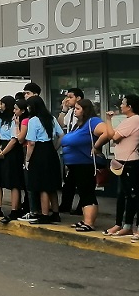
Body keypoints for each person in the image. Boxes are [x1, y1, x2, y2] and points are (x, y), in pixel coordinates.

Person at [59, 99, 106, 232]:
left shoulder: (93, 121)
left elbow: (107, 132)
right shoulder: (80, 124)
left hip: (85, 163)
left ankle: (90, 223)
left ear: (85, 110)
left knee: (87, 193)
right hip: (75, 164)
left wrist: (96, 147)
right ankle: (86, 220)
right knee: (82, 193)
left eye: (78, 108)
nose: (75, 111)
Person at [97, 94, 139, 238]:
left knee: (132, 196)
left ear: (130, 106)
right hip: (121, 162)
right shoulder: (128, 120)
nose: (121, 106)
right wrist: (109, 122)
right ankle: (120, 224)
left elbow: (113, 136)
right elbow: (111, 135)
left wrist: (108, 120)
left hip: (130, 163)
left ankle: (129, 226)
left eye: (123, 103)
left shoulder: (135, 120)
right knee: (122, 195)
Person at [24, 96, 64, 224]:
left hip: (38, 153)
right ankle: (56, 213)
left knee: (42, 186)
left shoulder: (33, 120)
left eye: (29, 106)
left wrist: (27, 160)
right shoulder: (51, 118)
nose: (28, 108)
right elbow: (61, 135)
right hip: (50, 151)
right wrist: (55, 147)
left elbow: (31, 143)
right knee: (51, 185)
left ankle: (45, 215)